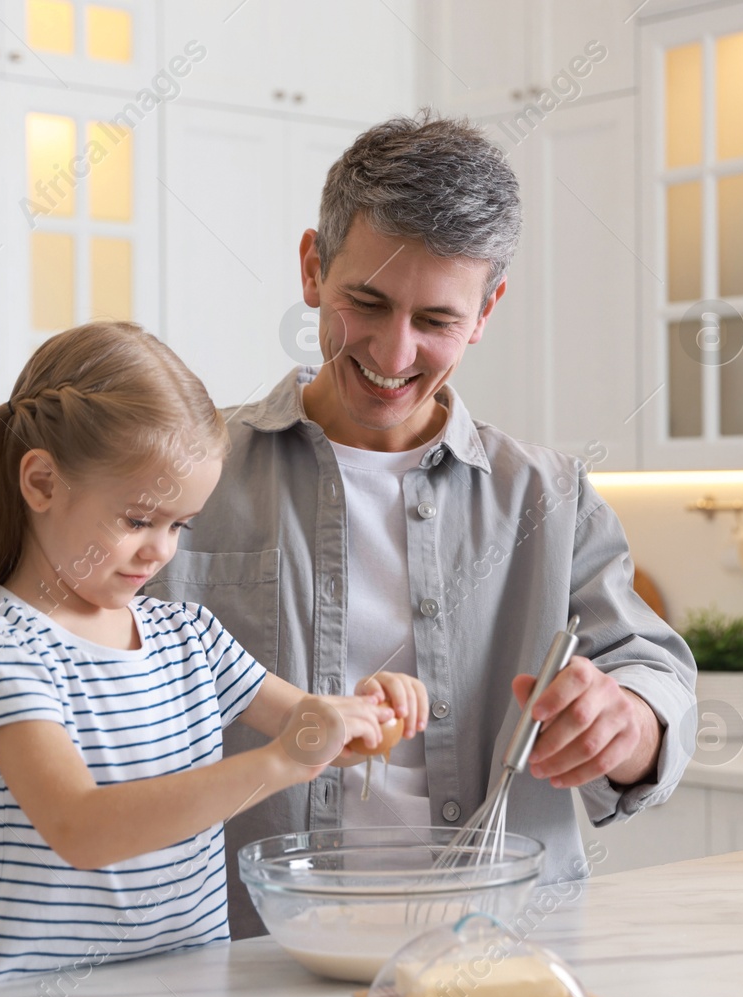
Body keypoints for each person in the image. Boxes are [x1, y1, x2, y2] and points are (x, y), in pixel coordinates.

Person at [150, 113, 698, 938]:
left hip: (497, 953)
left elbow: (651, 673)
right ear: (312, 267)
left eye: (436, 321)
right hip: (247, 957)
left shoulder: (547, 497)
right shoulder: (192, 472)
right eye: (366, 302)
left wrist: (629, 723)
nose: (394, 353)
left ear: (486, 310)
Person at [0, 322, 428, 977]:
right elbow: (81, 828)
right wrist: (281, 760)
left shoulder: (190, 636)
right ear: (41, 483)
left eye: (179, 524)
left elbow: (309, 726)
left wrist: (371, 712)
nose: (163, 549)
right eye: (137, 520)